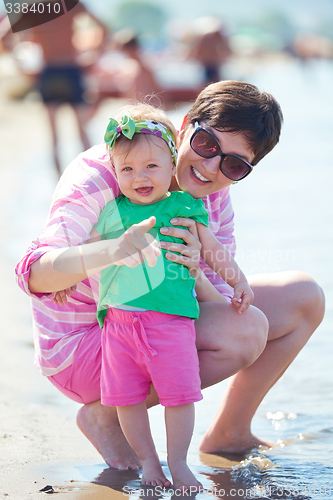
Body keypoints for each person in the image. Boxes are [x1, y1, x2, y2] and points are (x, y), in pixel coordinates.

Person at [15, 80, 325, 471]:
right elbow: (35, 277)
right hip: (81, 348)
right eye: (207, 144)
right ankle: (106, 415)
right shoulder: (105, 172)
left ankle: (230, 432)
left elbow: (211, 305)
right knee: (244, 332)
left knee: (305, 298)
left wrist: (194, 271)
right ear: (184, 127)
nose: (211, 167)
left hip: (153, 319)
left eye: (233, 163)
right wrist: (111, 251)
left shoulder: (210, 196)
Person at [53, 104, 254, 489]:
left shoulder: (182, 205)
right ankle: (149, 463)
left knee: (179, 396)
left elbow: (212, 249)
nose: (139, 177)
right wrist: (64, 276)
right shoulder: (112, 210)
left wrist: (239, 281)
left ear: (171, 164)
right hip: (117, 328)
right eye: (127, 169)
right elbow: (86, 248)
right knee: (127, 400)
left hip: (170, 324)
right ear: (115, 172)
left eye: (151, 167)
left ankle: (177, 462)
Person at [0, 0, 108, 176]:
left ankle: (60, 188)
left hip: (49, 72)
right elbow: (103, 27)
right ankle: (93, 182)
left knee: (54, 137)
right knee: (82, 131)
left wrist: (23, 68)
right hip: (71, 69)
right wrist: (94, 57)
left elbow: (4, 36)